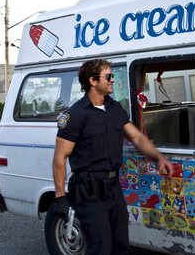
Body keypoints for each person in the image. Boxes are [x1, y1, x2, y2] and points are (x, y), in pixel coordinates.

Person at [52, 59, 174, 255]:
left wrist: (158, 157)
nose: (112, 80)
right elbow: (60, 157)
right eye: (108, 77)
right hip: (87, 190)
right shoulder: (75, 115)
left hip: (112, 187)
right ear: (93, 80)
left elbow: (137, 137)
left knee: (121, 245)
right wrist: (59, 198)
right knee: (100, 247)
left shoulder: (115, 108)